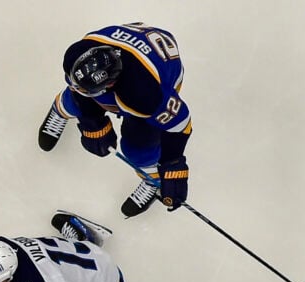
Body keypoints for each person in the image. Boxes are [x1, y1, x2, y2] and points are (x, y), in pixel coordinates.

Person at [37, 23, 191, 217]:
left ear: (111, 83)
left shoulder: (145, 97)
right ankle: (60, 108)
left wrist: (173, 165)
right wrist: (91, 123)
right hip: (130, 52)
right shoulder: (76, 54)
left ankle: (153, 178)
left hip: (156, 79)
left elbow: (181, 124)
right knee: (76, 100)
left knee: (138, 148)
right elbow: (80, 91)